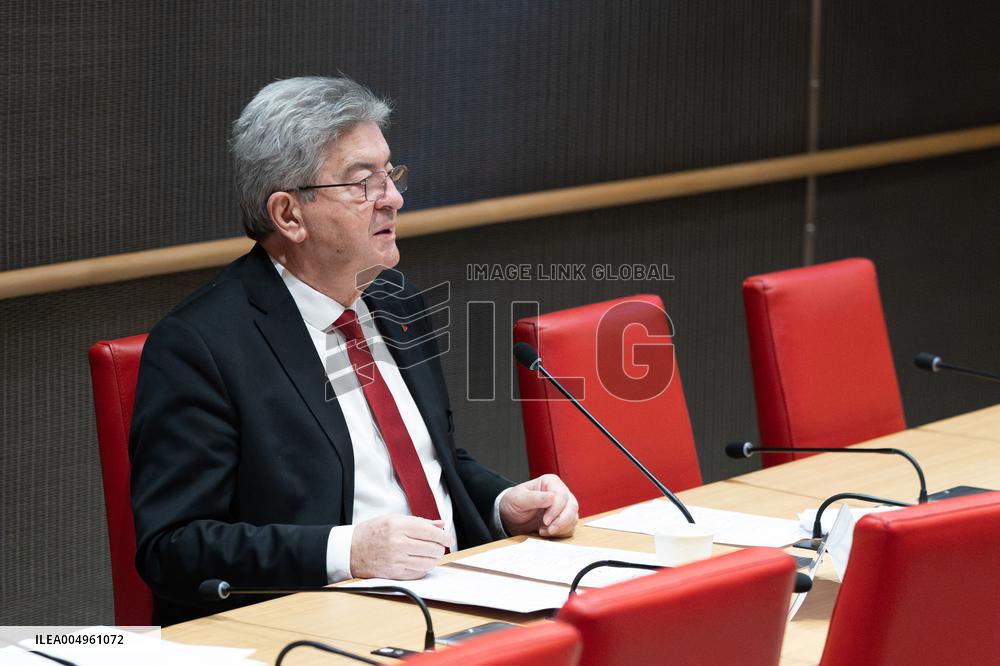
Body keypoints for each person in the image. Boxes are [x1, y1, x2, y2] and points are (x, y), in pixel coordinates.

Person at [129, 76, 579, 625]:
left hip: (463, 597)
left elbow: (433, 457)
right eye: (363, 183)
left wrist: (501, 504)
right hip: (318, 625)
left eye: (390, 174)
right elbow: (174, 547)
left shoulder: (395, 299)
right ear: (289, 215)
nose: (393, 198)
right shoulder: (200, 346)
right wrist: (347, 553)